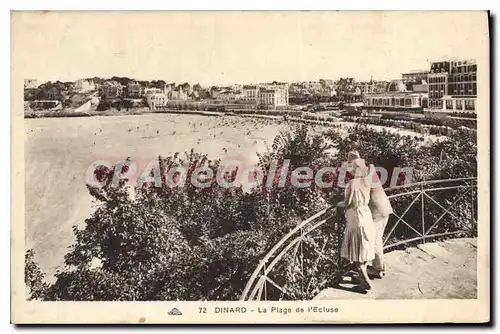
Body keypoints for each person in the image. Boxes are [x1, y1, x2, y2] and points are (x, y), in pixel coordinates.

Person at [347, 150, 393, 279]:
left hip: (378, 210)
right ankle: (378, 267)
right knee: (375, 238)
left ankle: (378, 269)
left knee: (374, 239)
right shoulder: (369, 170)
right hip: (383, 207)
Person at [337, 157, 375, 290]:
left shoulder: (352, 184)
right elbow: (371, 168)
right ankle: (362, 276)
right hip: (366, 215)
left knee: (357, 251)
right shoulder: (367, 180)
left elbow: (347, 203)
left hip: (356, 217)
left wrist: (336, 204)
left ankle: (365, 282)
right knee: (364, 249)